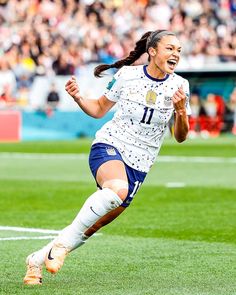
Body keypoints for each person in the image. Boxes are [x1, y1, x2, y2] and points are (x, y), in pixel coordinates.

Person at [23, 30, 191, 285]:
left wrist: (180, 111)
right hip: (110, 144)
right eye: (170, 48)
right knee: (116, 189)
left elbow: (180, 136)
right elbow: (100, 109)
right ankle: (62, 247)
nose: (175, 54)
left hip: (141, 163)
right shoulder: (127, 75)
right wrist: (79, 97)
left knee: (93, 226)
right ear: (153, 51)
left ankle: (36, 259)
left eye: (178, 50)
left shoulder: (180, 85)